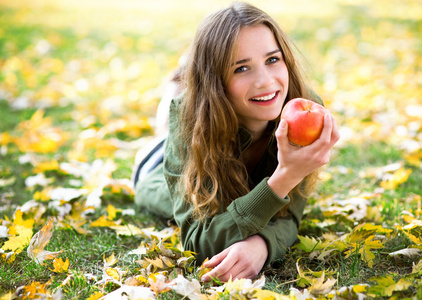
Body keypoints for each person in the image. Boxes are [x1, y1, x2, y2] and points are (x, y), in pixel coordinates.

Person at [133, 1, 340, 282]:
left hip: (208, 122)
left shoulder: (305, 109)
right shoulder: (189, 120)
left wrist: (261, 245)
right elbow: (197, 237)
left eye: (272, 60)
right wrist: (285, 176)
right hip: (159, 159)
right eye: (241, 68)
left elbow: (289, 216)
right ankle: (178, 85)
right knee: (151, 191)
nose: (266, 82)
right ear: (216, 81)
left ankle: (185, 76)